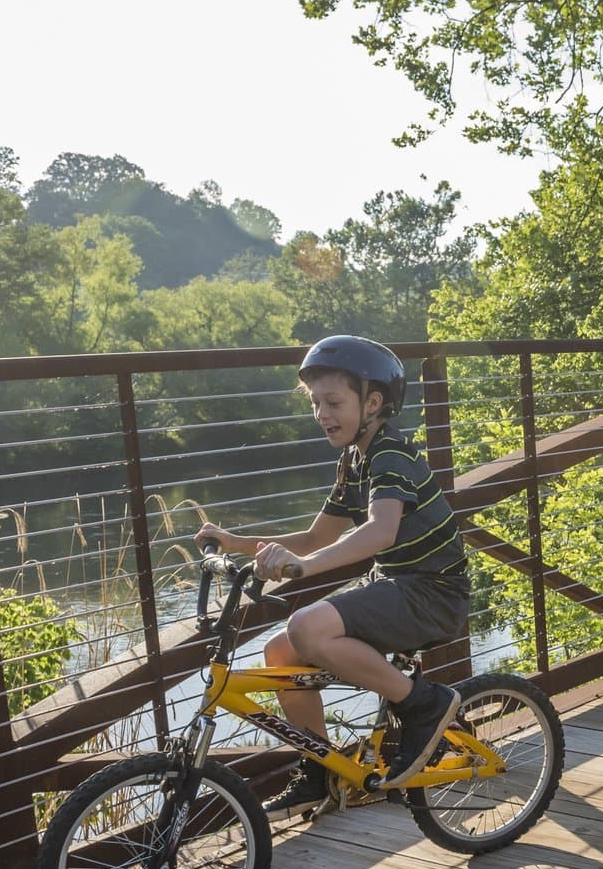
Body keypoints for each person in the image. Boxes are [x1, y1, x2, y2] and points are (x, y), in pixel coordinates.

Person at [195, 335, 471, 814]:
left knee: (307, 626)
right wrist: (238, 544)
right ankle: (321, 769)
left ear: (374, 402)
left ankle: (422, 703)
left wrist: (302, 569)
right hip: (398, 588)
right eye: (315, 403)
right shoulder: (355, 459)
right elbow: (317, 537)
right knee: (279, 649)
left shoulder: (391, 454)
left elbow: (380, 533)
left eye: (333, 402)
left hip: (434, 593)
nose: (322, 413)